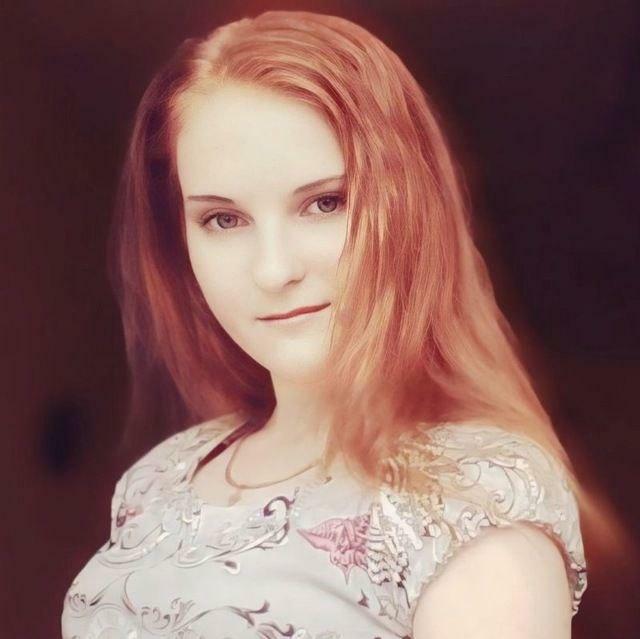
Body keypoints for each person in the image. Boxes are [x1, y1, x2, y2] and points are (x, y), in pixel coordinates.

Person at [61, 10, 590, 638]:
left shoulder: (474, 500)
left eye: (325, 203)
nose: (274, 269)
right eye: (223, 219)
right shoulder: (159, 478)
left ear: (410, 208)